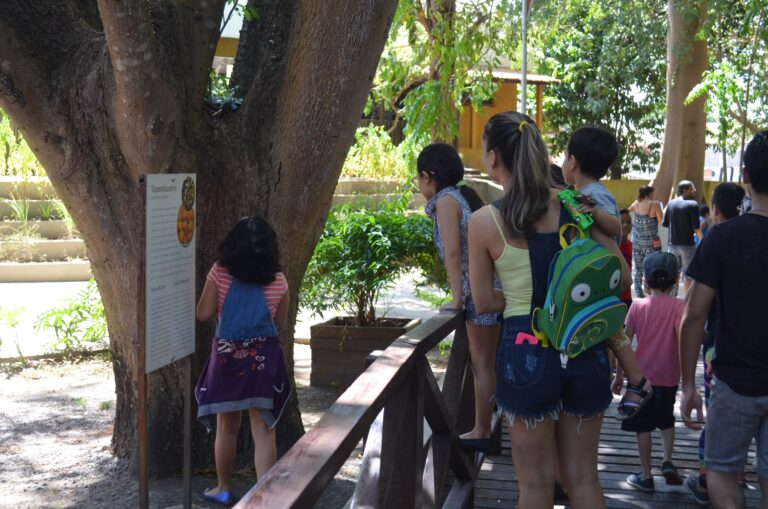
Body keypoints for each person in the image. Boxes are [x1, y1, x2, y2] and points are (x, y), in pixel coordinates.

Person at [469, 112, 631, 508]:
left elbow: (485, 303)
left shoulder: (483, 222)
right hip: (583, 346)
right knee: (584, 480)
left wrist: (525, 300)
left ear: (492, 158)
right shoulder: (574, 204)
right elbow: (622, 278)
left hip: (525, 350)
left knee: (536, 488)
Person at [681, 131, 768, 509]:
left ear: (745, 175)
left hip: (735, 380)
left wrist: (688, 384)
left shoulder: (723, 237)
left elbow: (693, 314)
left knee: (718, 470)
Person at [195, 216, 291, 506]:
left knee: (227, 426)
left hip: (227, 359)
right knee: (263, 430)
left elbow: (204, 313)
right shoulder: (279, 280)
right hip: (263, 359)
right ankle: (264, 498)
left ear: (232, 246)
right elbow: (281, 323)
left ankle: (223, 488)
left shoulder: (220, 273)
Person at [561, 126, 652, 420]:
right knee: (609, 330)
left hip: (602, 274)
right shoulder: (582, 193)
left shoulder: (593, 195)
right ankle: (635, 380)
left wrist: (593, 214)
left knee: (610, 329)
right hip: (598, 273)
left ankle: (638, 380)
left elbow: (615, 228)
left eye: (564, 156)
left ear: (573, 161)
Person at [414, 143, 501, 451]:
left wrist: (456, 298)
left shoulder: (446, 201)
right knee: (485, 364)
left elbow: (453, 252)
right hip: (483, 288)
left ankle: (482, 431)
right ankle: (487, 428)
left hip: (477, 291)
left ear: (427, 176)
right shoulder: (456, 196)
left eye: (418, 178)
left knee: (482, 365)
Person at [682, 183, 746, 505]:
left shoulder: (717, 240)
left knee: (716, 418)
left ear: (716, 211)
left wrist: (686, 384)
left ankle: (708, 479)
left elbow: (694, 312)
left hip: (721, 353)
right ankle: (740, 473)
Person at [616, 252, 684, 492]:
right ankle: (667, 460)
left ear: (644, 281)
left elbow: (624, 341)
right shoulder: (680, 307)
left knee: (642, 426)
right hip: (669, 376)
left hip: (641, 379)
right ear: (676, 281)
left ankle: (646, 476)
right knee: (666, 419)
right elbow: (682, 340)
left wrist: (619, 375)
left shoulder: (637, 305)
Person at [662, 180, 699, 294]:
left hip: (672, 245)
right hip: (687, 245)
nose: (694, 191)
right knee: (689, 273)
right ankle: (687, 300)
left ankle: (672, 297)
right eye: (692, 189)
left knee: (673, 272)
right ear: (685, 191)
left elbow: (665, 223)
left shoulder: (671, 203)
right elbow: (696, 228)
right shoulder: (693, 204)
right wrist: (703, 239)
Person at [629, 185, 664, 297]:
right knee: (652, 265)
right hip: (650, 242)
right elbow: (660, 221)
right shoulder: (655, 204)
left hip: (636, 240)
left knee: (638, 267)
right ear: (649, 193)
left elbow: (628, 210)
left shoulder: (636, 204)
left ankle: (638, 291)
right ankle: (649, 289)